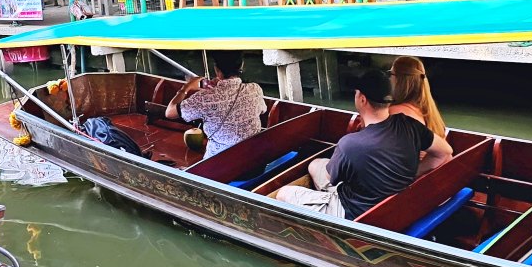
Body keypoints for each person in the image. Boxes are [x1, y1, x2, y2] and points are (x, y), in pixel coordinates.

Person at [274, 69, 452, 219]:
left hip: (355, 212)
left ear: (362, 99)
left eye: (356, 92)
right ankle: (321, 200)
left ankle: (324, 209)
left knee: (283, 194)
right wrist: (414, 172)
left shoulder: (350, 144)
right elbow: (444, 152)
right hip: (393, 201)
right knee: (315, 165)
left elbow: (330, 178)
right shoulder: (410, 125)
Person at [165, 50, 265, 159]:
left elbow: (170, 112)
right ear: (242, 65)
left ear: (216, 69)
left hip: (219, 163)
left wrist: (186, 87)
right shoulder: (255, 89)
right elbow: (263, 110)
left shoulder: (204, 98)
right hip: (253, 157)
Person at [388, 55, 447, 140]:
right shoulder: (428, 113)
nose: (389, 78)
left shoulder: (396, 113)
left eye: (390, 74)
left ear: (400, 79)